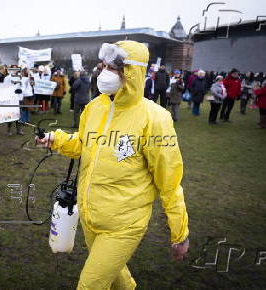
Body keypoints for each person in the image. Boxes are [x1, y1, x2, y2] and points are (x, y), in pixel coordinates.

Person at [36, 41, 189, 289]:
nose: (104, 72)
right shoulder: (95, 107)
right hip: (90, 216)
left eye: (113, 68)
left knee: (90, 285)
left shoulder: (156, 118)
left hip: (124, 225)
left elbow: (170, 181)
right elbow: (84, 144)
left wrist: (179, 232)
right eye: (103, 65)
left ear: (132, 72)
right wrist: (57, 139)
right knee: (118, 278)